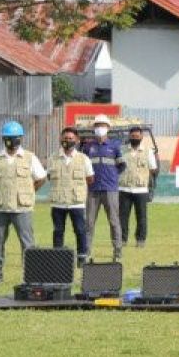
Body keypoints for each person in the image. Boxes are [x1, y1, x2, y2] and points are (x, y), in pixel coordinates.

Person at [0, 120, 47, 283]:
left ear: (20, 138)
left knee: (27, 242)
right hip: (1, 208)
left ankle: (31, 275)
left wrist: (28, 191)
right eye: (7, 137)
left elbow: (41, 178)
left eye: (13, 137)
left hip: (22, 208)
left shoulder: (29, 157)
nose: (9, 140)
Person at [47, 126, 94, 264]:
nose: (68, 141)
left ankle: (82, 257)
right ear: (61, 139)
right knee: (58, 231)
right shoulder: (53, 158)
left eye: (71, 138)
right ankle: (58, 259)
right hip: (58, 202)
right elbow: (50, 176)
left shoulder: (84, 159)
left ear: (77, 140)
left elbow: (90, 178)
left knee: (80, 230)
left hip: (76, 202)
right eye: (65, 138)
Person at [81, 113, 125, 261]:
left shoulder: (115, 146)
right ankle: (86, 253)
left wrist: (111, 176)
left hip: (110, 190)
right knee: (89, 223)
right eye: (97, 125)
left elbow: (122, 166)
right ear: (94, 128)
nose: (100, 128)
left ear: (108, 128)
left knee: (114, 222)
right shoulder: (87, 147)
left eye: (102, 125)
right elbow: (83, 167)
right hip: (92, 190)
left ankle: (117, 253)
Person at [118, 126, 158, 249]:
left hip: (141, 190)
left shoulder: (148, 151)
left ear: (141, 137)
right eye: (133, 136)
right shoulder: (122, 150)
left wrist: (143, 179)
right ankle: (122, 240)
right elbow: (117, 166)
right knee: (123, 217)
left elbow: (153, 169)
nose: (135, 138)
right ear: (129, 137)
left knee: (141, 217)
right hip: (124, 189)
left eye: (137, 136)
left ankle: (140, 240)